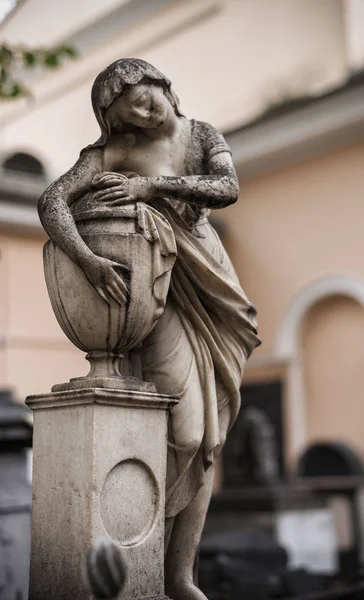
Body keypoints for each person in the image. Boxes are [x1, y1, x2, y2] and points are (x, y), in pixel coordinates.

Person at [38, 58, 261, 600]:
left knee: (207, 439)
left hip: (209, 282)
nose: (143, 111)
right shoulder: (109, 154)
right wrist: (87, 259)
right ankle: (127, 546)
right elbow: (51, 202)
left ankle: (179, 576)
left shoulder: (201, 134)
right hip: (157, 290)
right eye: (127, 113)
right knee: (185, 430)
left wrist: (149, 188)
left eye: (144, 96)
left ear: (162, 85)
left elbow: (226, 186)